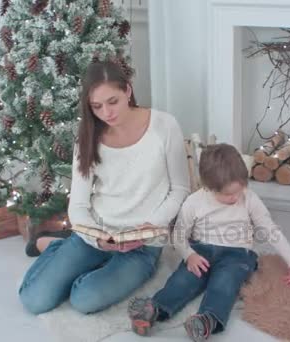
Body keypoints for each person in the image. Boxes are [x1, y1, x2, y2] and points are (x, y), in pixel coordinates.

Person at [18, 60, 190, 315]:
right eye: (96, 106)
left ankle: (59, 248)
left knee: (83, 299)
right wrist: (96, 237)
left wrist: (151, 226)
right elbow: (77, 205)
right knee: (35, 301)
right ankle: (60, 247)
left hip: (143, 244)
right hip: (96, 234)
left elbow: (180, 188)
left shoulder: (165, 125)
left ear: (128, 91)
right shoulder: (88, 136)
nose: (107, 113)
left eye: (113, 101)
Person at [128, 143, 290, 340]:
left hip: (236, 254)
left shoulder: (249, 198)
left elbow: (270, 229)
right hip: (201, 251)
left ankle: (207, 320)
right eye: (227, 195)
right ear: (208, 187)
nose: (235, 197)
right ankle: (154, 309)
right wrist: (190, 255)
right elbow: (178, 235)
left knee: (224, 284)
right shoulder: (194, 202)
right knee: (183, 279)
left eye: (238, 190)